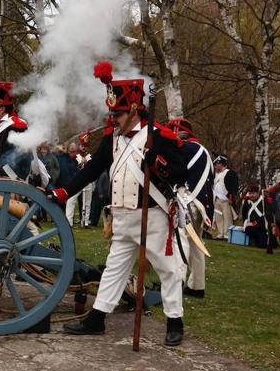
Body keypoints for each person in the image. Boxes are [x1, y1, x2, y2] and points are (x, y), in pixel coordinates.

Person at [47, 62, 188, 346]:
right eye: (111, 113)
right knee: (114, 270)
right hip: (122, 217)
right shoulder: (113, 138)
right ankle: (97, 318)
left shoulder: (158, 136)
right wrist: (64, 191)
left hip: (152, 216)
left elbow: (180, 172)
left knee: (168, 269)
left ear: (134, 110)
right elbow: (91, 170)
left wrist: (156, 162)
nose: (113, 118)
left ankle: (175, 321)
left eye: (118, 113)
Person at [168, 118, 214, 299]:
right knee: (196, 244)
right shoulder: (203, 150)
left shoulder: (184, 149)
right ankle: (197, 286)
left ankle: (177, 282)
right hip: (203, 204)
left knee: (180, 241)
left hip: (187, 201)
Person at [212, 154, 239, 240]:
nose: (216, 166)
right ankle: (221, 233)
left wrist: (231, 198)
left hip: (226, 199)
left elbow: (233, 187)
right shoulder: (216, 175)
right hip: (217, 199)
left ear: (221, 164)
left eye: (217, 164)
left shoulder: (229, 173)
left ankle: (227, 234)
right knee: (219, 217)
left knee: (227, 218)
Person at [241, 183, 271, 248]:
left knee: (262, 244)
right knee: (248, 229)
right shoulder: (247, 201)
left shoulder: (263, 201)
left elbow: (265, 216)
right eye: (250, 193)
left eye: (253, 193)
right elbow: (244, 214)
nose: (251, 195)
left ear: (258, 193)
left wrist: (253, 223)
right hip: (251, 226)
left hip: (262, 227)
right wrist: (245, 224)